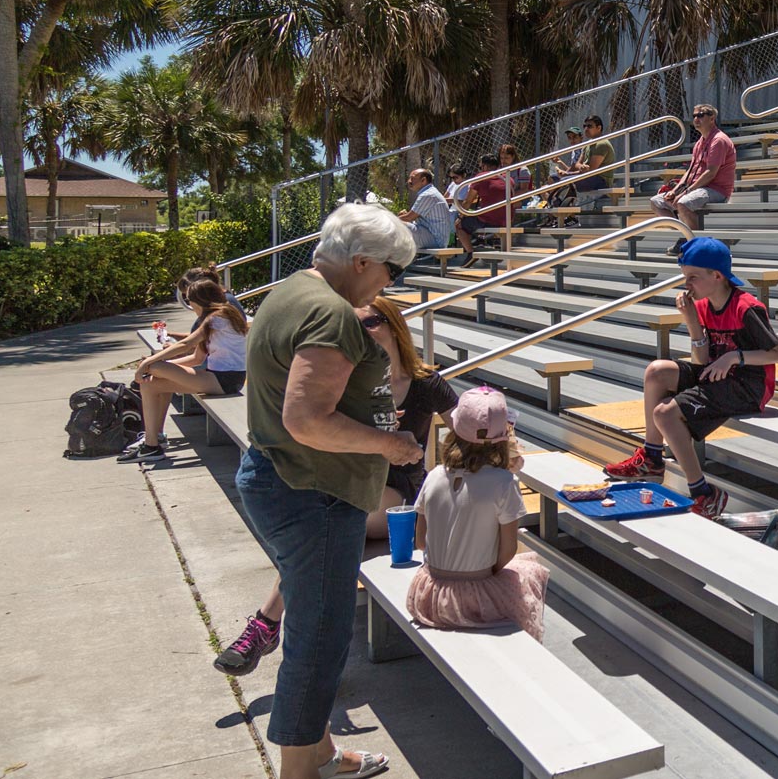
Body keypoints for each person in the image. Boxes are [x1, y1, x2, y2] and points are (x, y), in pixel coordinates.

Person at [234, 202, 421, 779]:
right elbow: (307, 420)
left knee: (317, 622)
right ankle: (300, 771)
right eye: (393, 270)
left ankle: (318, 753)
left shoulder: (289, 291)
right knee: (318, 636)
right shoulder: (332, 314)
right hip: (308, 492)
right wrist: (390, 447)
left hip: (283, 481)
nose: (393, 282)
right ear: (363, 260)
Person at [215, 298, 458, 678]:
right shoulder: (349, 381)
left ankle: (265, 624)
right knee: (322, 531)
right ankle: (270, 627)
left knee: (325, 528)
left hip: (395, 489)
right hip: (346, 481)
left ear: (395, 326)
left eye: (372, 323)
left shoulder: (425, 381)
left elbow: (465, 426)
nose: (362, 332)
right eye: (354, 326)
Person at [602, 237, 778, 517]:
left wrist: (736, 356)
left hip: (747, 386)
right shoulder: (701, 305)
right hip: (717, 375)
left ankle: (703, 493)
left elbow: (777, 354)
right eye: (685, 277)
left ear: (717, 275)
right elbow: (701, 361)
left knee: (664, 414)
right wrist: (691, 323)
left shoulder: (745, 307)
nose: (687, 284)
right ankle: (651, 458)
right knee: (656, 372)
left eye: (693, 277)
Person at [404, 386, 552, 640]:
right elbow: (508, 550)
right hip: (475, 600)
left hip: (430, 594)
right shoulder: (504, 482)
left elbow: (419, 541)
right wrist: (485, 576)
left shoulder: (434, 476)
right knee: (532, 568)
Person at [119, 275, 251, 463]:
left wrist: (148, 363)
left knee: (155, 367)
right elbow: (197, 358)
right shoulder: (217, 316)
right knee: (151, 385)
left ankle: (152, 445)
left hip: (225, 380)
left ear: (201, 301)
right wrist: (158, 366)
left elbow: (186, 344)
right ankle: (152, 443)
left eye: (190, 301)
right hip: (216, 377)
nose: (190, 306)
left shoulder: (218, 317)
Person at [650, 103, 736, 252]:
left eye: (701, 115)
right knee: (656, 202)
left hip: (716, 189)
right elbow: (690, 171)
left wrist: (686, 192)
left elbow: (711, 173)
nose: (696, 118)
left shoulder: (719, 140)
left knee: (682, 203)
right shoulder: (699, 142)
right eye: (694, 115)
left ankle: (697, 245)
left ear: (712, 118)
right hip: (698, 188)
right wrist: (675, 191)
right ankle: (685, 236)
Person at [457, 153, 511, 255]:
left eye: (481, 166)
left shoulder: (481, 177)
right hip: (507, 218)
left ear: (485, 166)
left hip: (489, 220)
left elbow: (468, 201)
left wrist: (459, 217)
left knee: (460, 224)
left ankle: (470, 253)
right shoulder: (507, 176)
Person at [396, 167, 452, 253]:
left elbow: (409, 217)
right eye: (409, 178)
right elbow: (413, 217)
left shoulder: (428, 194)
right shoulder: (430, 192)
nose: (409, 181)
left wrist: (389, 219)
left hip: (435, 240)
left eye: (413, 178)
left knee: (394, 225)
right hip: (432, 236)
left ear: (423, 180)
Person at [445, 164, 474, 262]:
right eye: (451, 177)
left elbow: (463, 202)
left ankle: (449, 244)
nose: (453, 180)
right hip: (451, 210)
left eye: (455, 177)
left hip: (461, 210)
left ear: (463, 175)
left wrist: (450, 200)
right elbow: (445, 197)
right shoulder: (452, 185)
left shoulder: (467, 186)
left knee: (450, 219)